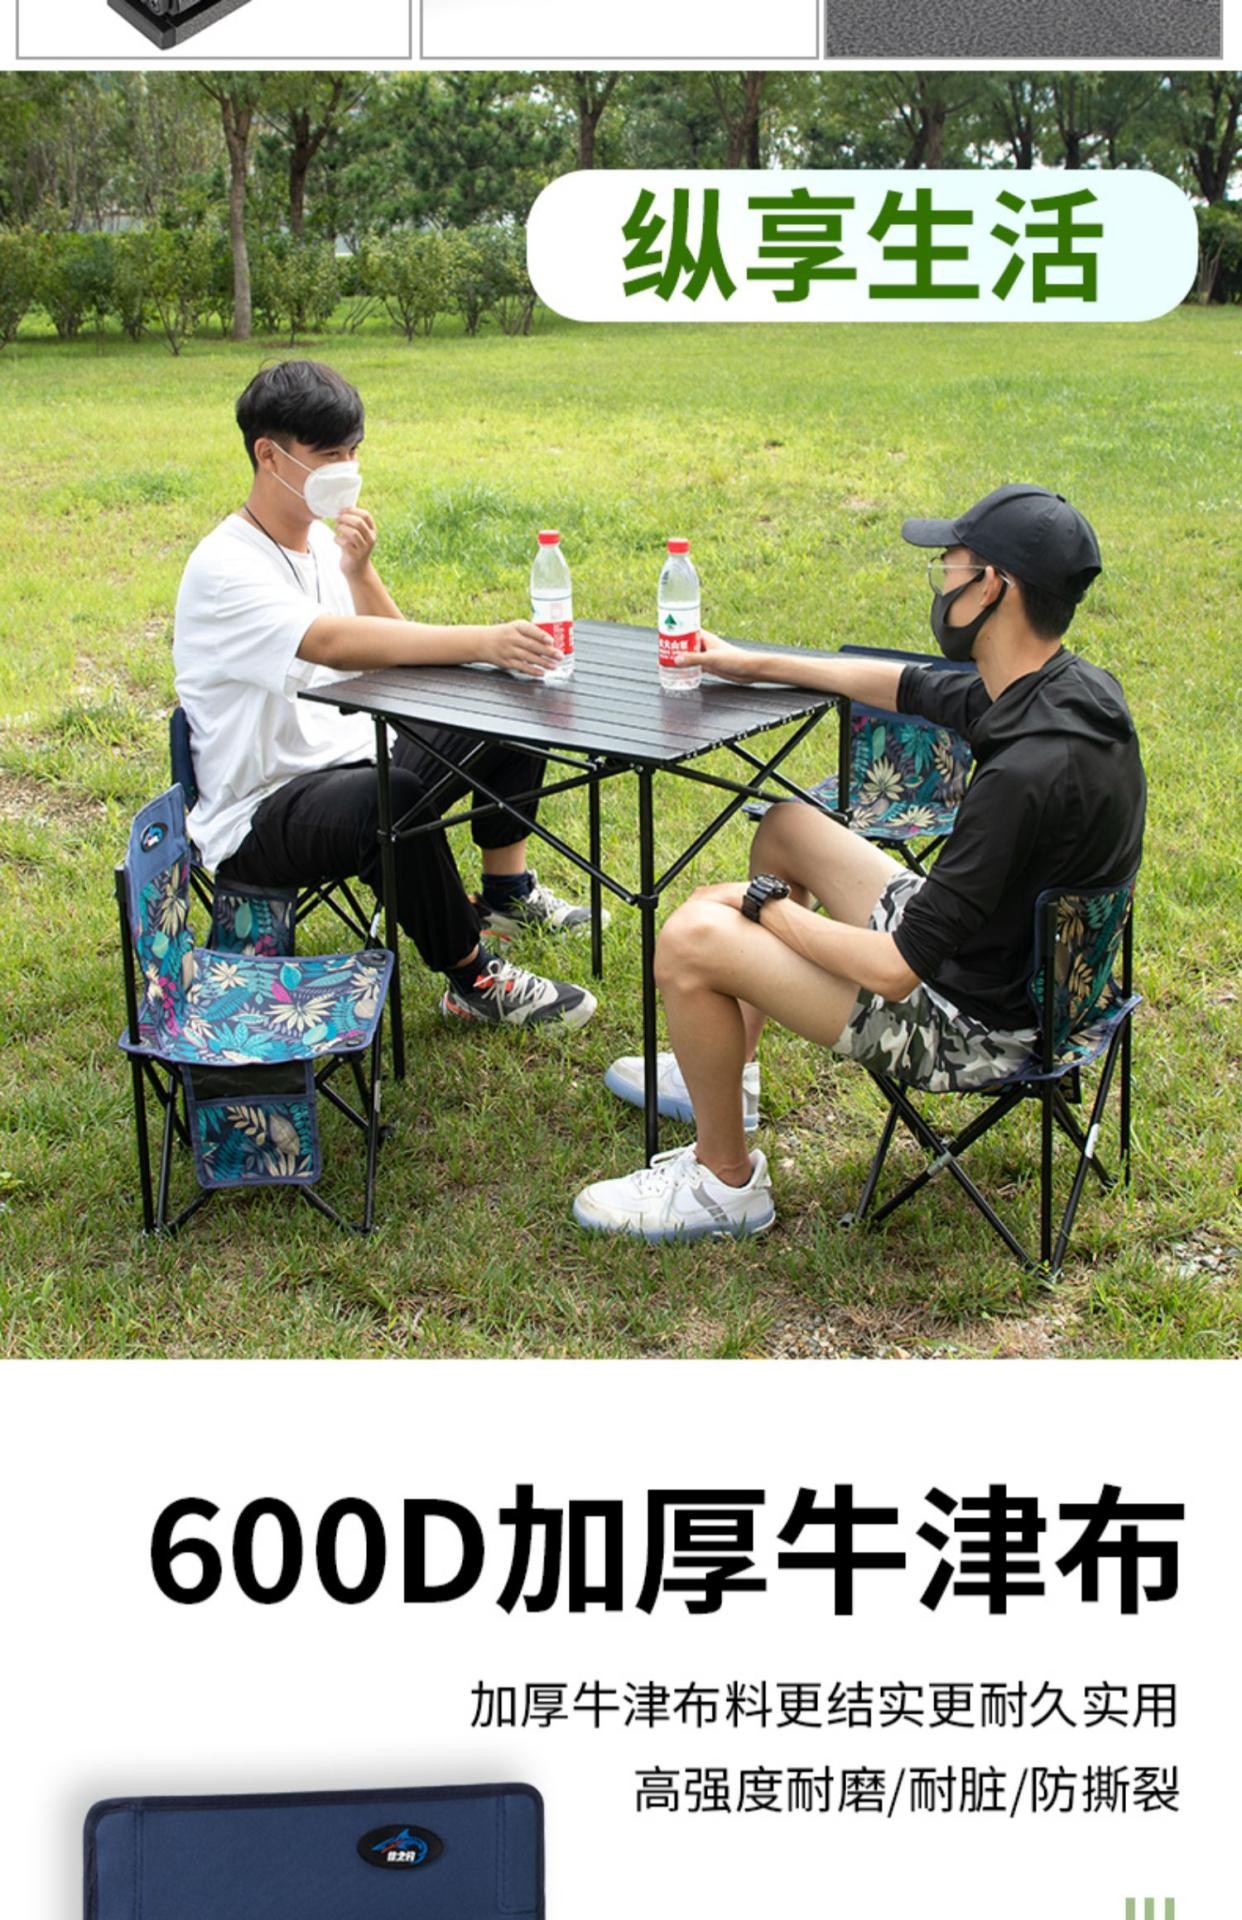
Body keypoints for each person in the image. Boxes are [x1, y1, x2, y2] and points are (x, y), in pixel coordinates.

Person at [573, 484, 1146, 1241]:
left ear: (992, 587)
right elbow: (907, 686)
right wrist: (747, 663)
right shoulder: (1064, 693)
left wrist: (766, 909)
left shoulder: (1022, 776)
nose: (940, 582)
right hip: (1018, 971)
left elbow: (894, 970)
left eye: (949, 565)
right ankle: (726, 1072)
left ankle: (724, 1182)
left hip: (972, 1026)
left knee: (691, 938)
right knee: (788, 826)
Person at [174, 359, 601, 1032]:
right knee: (390, 798)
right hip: (262, 808)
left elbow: (395, 645)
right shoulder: (225, 568)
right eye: (329, 454)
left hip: (348, 753)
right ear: (268, 455)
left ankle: (506, 895)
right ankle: (473, 978)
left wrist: (361, 570)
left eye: (354, 451)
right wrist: (482, 638)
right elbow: (333, 644)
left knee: (504, 701)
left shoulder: (319, 544)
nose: (347, 469)